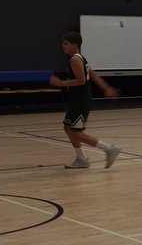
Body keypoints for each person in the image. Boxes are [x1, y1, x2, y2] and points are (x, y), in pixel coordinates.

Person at [49, 30, 121, 168]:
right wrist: (106, 88)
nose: (63, 46)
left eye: (66, 43)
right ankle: (81, 158)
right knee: (67, 128)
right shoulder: (80, 57)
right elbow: (92, 75)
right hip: (77, 100)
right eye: (63, 43)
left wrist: (61, 83)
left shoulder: (75, 59)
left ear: (75, 45)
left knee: (76, 133)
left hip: (80, 101)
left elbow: (81, 81)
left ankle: (109, 149)